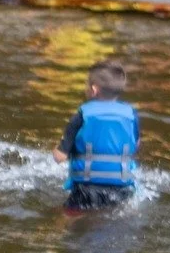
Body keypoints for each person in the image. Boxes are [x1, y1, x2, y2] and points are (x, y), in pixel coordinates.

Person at [51, 60, 139, 212]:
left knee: (67, 219)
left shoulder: (82, 114)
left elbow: (60, 157)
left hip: (85, 189)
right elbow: (136, 145)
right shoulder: (131, 115)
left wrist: (56, 149)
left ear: (93, 89)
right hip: (121, 190)